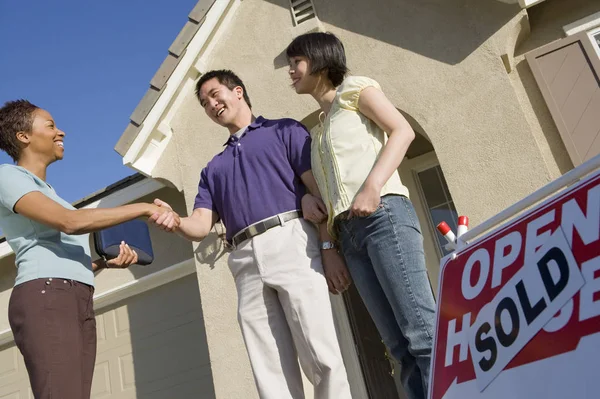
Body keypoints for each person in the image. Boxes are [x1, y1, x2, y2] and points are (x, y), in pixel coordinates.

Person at [149, 69, 352, 399]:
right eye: (204, 103)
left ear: (238, 91)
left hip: (292, 242)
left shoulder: (284, 130)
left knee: (321, 354)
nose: (212, 104)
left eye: (215, 95)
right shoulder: (213, 168)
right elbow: (200, 225)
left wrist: (328, 247)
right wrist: (176, 222)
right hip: (244, 261)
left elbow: (318, 193)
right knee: (268, 369)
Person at [285, 32, 437, 399]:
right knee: (397, 347)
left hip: (384, 216)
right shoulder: (318, 131)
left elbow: (402, 131)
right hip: (349, 236)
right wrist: (329, 243)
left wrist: (372, 186)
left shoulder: (355, 90)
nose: (290, 72)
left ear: (320, 60)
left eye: (296, 63)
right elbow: (326, 194)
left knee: (422, 334)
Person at [0, 99, 178, 399]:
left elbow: (62, 249)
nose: (62, 132)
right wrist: (144, 208)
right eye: (51, 125)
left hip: (75, 295)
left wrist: (106, 264)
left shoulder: (51, 194)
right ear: (23, 136)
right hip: (45, 295)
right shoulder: (9, 176)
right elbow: (70, 222)